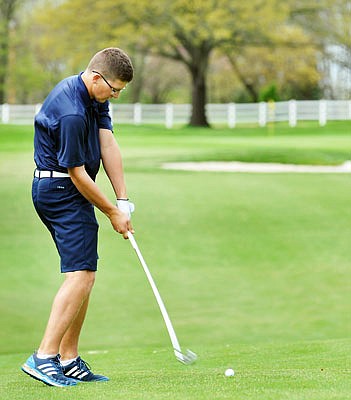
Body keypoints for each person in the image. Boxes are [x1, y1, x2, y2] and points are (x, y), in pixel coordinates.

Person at [21, 48, 135, 387]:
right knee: (82, 275)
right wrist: (112, 212)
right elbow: (77, 174)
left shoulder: (94, 96)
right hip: (61, 191)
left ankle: (69, 360)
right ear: (97, 78)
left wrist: (123, 199)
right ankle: (44, 357)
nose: (114, 96)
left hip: (65, 191)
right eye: (114, 90)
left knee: (83, 273)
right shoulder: (71, 110)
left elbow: (107, 143)